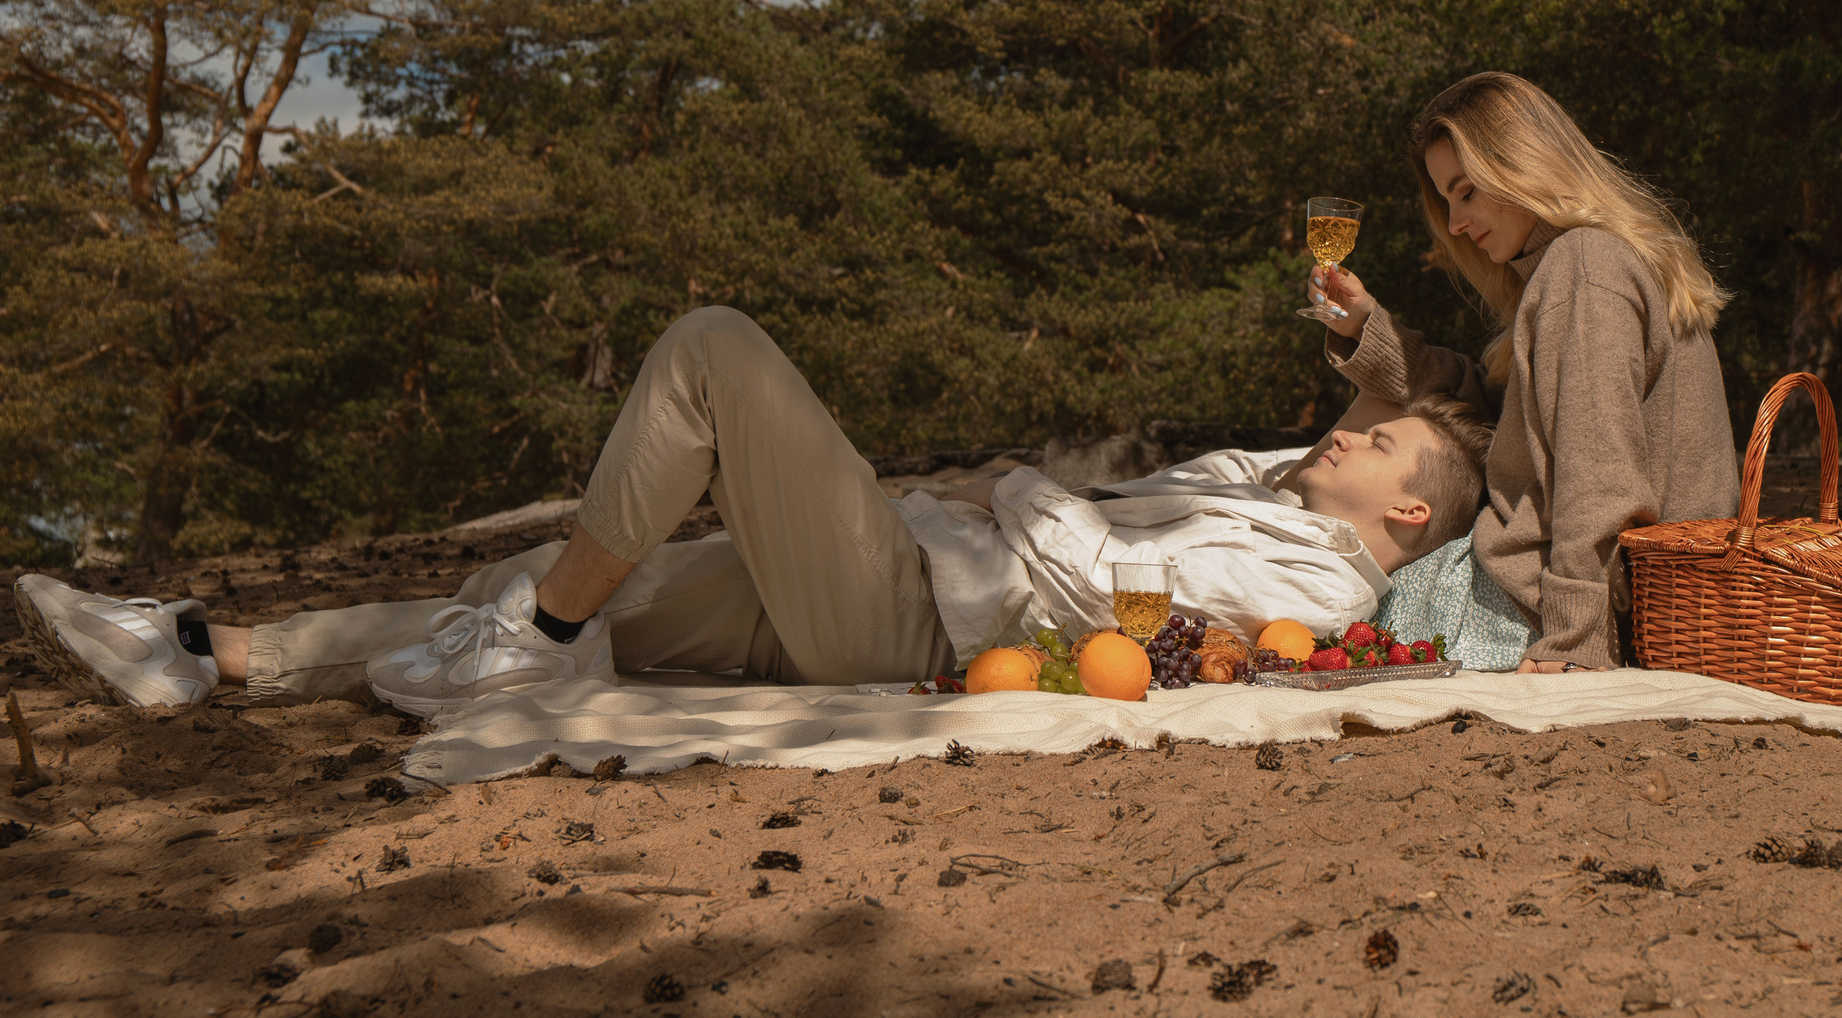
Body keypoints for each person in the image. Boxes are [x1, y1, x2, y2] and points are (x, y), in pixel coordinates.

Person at [14, 306, 1488, 714]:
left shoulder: (1321, 576)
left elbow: (1109, 582)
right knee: (561, 577)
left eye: (1386, 435)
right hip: (914, 555)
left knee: (714, 348)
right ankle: (210, 657)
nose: (1355, 430)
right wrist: (1373, 364)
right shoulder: (1268, 486)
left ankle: (529, 634)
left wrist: (1004, 481)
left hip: (913, 613)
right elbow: (1238, 469)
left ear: (1413, 511)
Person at [1309, 71, 1740, 672]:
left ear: (1522, 166)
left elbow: (1600, 470)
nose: (1455, 223)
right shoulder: (1584, 264)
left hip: (1568, 605)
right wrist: (1366, 329)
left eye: (1467, 192)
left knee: (1312, 610)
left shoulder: (1584, 267)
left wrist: (1577, 638)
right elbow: (1485, 409)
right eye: (1446, 200)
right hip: (1636, 599)